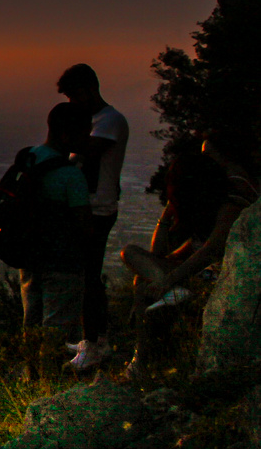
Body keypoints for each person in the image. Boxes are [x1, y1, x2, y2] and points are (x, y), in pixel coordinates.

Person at [121, 133, 258, 372]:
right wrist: (168, 212)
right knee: (131, 256)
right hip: (192, 273)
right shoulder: (206, 193)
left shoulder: (236, 194)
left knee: (143, 286)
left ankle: (141, 363)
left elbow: (211, 250)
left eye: (209, 154)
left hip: (218, 275)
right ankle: (144, 361)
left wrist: (169, 280)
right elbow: (162, 253)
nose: (204, 158)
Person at [57, 64, 128, 372]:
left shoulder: (110, 121)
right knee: (88, 276)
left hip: (97, 209)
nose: (72, 103)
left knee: (88, 279)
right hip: (90, 207)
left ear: (88, 90)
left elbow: (90, 151)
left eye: (74, 96)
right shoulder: (96, 121)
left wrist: (56, 135)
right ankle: (97, 339)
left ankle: (93, 345)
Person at [19, 102, 94, 344]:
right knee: (59, 332)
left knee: (32, 323)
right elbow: (84, 224)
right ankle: (53, 378)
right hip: (64, 263)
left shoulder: (29, 159)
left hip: (30, 257)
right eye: (84, 132)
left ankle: (31, 378)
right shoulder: (71, 176)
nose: (88, 138)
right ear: (66, 135)